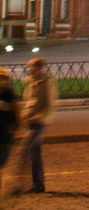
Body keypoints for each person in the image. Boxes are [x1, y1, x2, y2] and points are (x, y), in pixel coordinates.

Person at [21, 57, 55, 194]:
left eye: (31, 66)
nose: (29, 69)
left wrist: (39, 116)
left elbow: (48, 104)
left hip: (39, 122)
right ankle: (34, 184)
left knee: (34, 152)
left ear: (39, 67)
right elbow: (29, 101)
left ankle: (38, 185)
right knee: (30, 152)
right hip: (30, 121)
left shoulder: (45, 83)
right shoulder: (31, 82)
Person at [0, 67, 19, 178]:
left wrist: (14, 127)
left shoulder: (9, 94)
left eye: (3, 78)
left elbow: (16, 112)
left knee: (2, 165)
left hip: (5, 135)